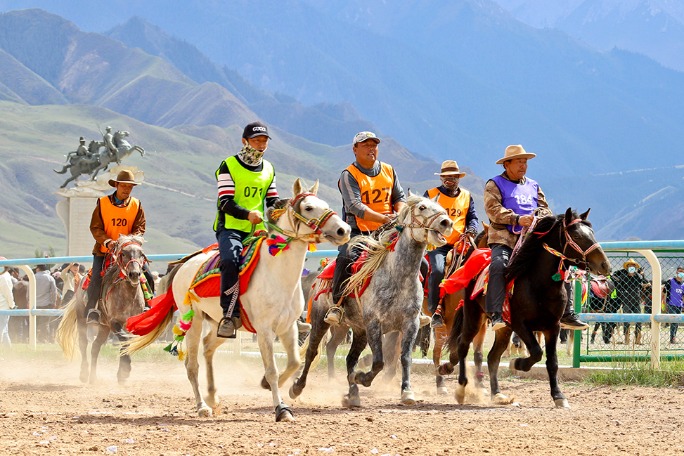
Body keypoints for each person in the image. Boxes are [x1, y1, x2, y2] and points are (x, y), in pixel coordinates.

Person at [484, 144, 588, 331]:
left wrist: (539, 215)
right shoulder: (494, 184)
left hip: (532, 239)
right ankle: (496, 313)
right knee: (499, 264)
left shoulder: (533, 185)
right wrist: (517, 218)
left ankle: (566, 313)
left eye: (525, 162)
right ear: (506, 164)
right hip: (505, 238)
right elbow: (493, 210)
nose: (523, 166)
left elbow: (545, 208)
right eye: (518, 162)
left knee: (561, 262)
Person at [324, 131, 407, 325]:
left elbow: (399, 198)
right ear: (355, 149)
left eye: (374, 145)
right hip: (359, 232)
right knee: (346, 258)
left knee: (418, 259)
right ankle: (337, 305)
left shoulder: (388, 170)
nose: (371, 148)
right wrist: (383, 218)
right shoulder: (348, 175)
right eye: (365, 145)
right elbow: (355, 206)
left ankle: (413, 306)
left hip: (389, 230)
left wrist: (399, 214)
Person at [215, 121, 279, 338]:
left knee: (283, 257)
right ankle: (229, 315)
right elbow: (224, 202)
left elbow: (272, 201)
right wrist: (247, 214)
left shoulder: (269, 169)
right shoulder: (229, 165)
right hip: (231, 228)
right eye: (256, 140)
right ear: (245, 141)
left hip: (259, 230)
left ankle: (288, 313)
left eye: (264, 141)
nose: (261, 145)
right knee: (231, 261)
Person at [85, 169, 154, 324]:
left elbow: (140, 227)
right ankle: (92, 310)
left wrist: (130, 241)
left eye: (130, 187)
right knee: (96, 277)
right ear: (116, 185)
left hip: (129, 252)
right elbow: (95, 227)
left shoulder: (136, 205)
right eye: (123, 186)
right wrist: (107, 241)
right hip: (105, 251)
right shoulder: (102, 203)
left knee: (148, 275)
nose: (126, 189)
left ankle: (149, 306)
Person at [424, 160, 478, 328]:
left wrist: (472, 229)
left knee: (480, 269)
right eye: (446, 177)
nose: (450, 180)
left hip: (461, 245)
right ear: (441, 178)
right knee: (439, 269)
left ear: (458, 178)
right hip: (438, 245)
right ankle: (434, 311)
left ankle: (481, 309)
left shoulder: (467, 196)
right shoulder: (431, 195)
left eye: (453, 177)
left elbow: (473, 218)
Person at [611, 258, 650, 344]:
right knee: (626, 320)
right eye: (629, 266)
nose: (631, 267)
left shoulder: (638, 276)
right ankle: (626, 339)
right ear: (627, 267)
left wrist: (643, 275)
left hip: (636, 301)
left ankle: (638, 338)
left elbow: (647, 283)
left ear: (635, 267)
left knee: (639, 319)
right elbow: (613, 277)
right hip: (626, 301)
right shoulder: (623, 277)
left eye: (633, 266)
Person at [29, 264, 57, 342]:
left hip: (34, 304)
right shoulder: (50, 278)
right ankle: (43, 339)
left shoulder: (33, 277)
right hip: (46, 304)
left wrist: (28, 301)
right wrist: (53, 302)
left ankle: (33, 339)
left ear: (38, 269)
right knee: (45, 323)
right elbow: (54, 292)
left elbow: (29, 290)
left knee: (34, 323)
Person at [662, 266, 684, 344]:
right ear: (676, 272)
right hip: (671, 304)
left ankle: (673, 336)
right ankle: (672, 337)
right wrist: (663, 302)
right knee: (673, 321)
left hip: (679, 305)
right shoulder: (670, 281)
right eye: (680, 271)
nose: (681, 273)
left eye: (682, 272)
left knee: (677, 322)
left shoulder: (683, 284)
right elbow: (664, 292)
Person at [0, 259, 16, 349]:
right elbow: (8, 294)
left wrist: (11, 305)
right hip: (3, 307)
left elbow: (8, 293)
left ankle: (7, 350)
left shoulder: (4, 277)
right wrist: (12, 305)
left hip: (3, 307)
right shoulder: (4, 276)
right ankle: (8, 350)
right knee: (4, 329)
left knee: (3, 329)